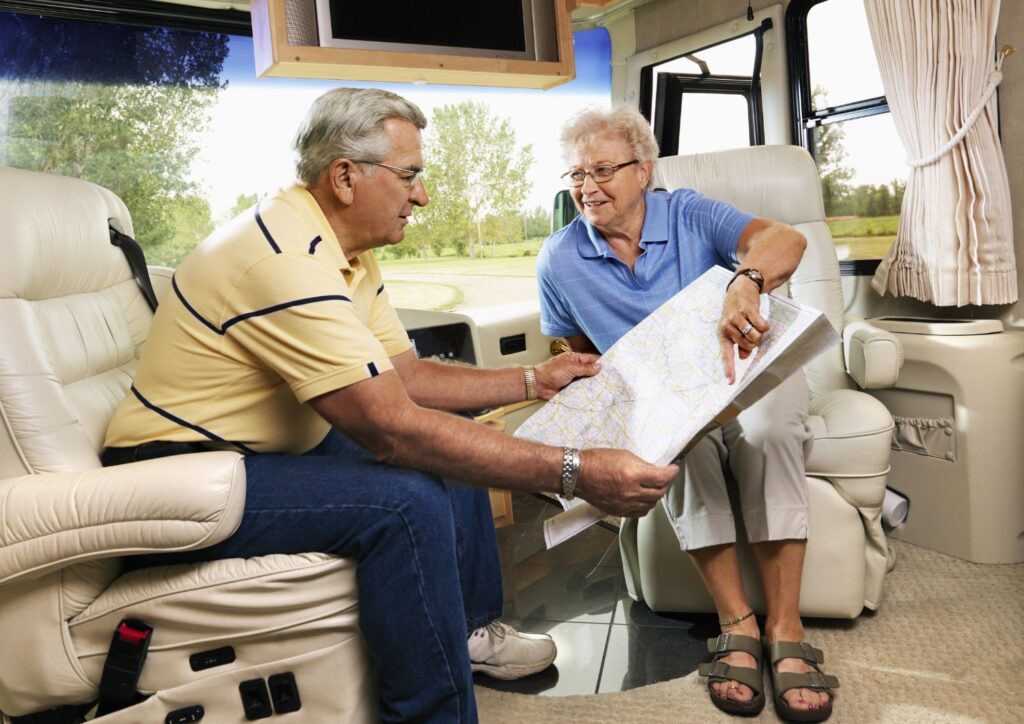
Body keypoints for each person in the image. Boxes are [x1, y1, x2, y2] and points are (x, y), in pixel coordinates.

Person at [101, 88, 677, 723]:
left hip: (258, 452)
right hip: (178, 477)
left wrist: (532, 380)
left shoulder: (347, 251)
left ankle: (469, 632)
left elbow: (404, 377)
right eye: (410, 176)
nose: (422, 195)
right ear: (346, 176)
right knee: (408, 499)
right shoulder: (281, 256)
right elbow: (393, 432)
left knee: (449, 441)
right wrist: (577, 469)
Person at [536, 106, 839, 723]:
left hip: (746, 372)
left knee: (769, 428)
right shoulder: (558, 259)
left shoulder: (690, 211)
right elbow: (577, 349)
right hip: (670, 399)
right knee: (682, 448)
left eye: (602, 169)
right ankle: (739, 624)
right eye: (575, 174)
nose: (586, 187)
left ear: (643, 171)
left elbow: (788, 239)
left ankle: (786, 627)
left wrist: (745, 280)